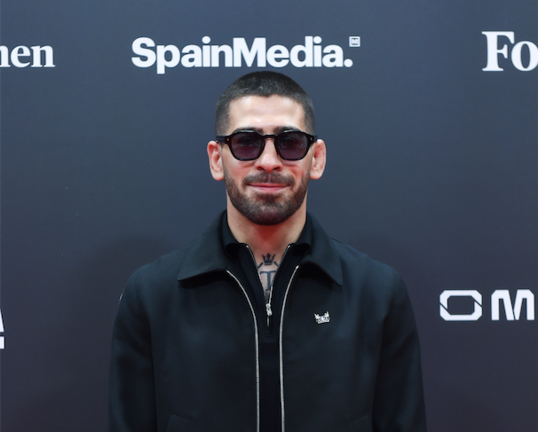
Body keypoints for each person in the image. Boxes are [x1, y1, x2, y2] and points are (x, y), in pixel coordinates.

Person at [108, 71, 427, 432]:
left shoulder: (378, 292)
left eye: (290, 143)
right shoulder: (153, 294)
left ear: (316, 158)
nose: (269, 161)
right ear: (217, 159)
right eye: (247, 143)